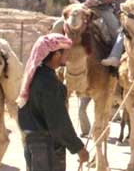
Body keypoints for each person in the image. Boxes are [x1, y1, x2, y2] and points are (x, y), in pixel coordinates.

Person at [17, 33, 89, 171]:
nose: (68, 57)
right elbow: (58, 123)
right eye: (66, 53)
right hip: (47, 149)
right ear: (56, 54)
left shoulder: (35, 77)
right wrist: (79, 148)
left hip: (32, 145)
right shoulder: (49, 83)